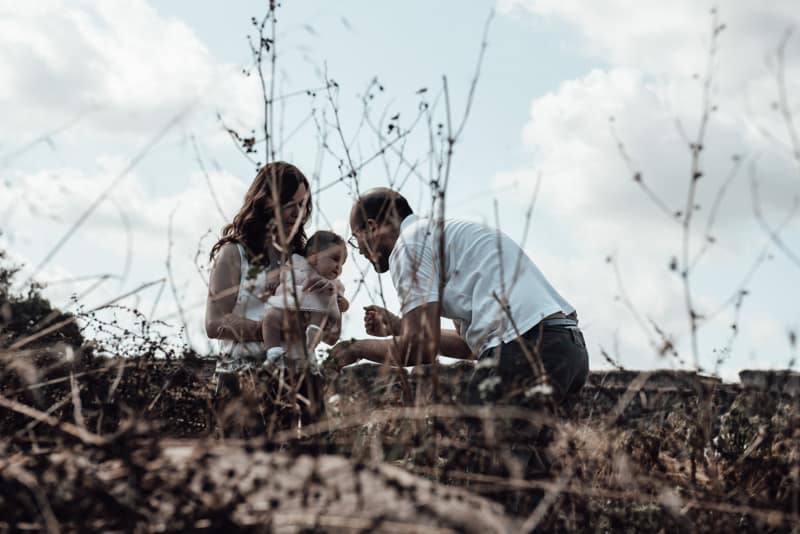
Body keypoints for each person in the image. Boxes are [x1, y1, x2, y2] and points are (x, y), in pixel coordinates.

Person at [327, 187, 589, 406]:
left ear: (371, 227)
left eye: (356, 239)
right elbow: (468, 347)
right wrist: (400, 327)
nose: (359, 250)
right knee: (531, 454)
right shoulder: (440, 238)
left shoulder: (408, 245)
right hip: (566, 348)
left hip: (525, 348)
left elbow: (420, 348)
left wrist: (356, 348)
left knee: (485, 449)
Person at [205, 161, 328, 378]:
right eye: (289, 203)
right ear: (264, 201)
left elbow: (325, 329)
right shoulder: (233, 253)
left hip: (302, 376)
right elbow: (214, 323)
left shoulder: (303, 259)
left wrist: (327, 300)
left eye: (302, 205)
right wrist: (268, 329)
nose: (297, 213)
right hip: (244, 376)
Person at [262, 230, 350, 368]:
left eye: (342, 264)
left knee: (319, 313)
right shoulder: (296, 262)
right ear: (314, 257)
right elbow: (282, 273)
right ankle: (273, 351)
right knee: (270, 317)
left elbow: (342, 303)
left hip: (311, 317)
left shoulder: (334, 283)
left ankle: (311, 341)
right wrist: (274, 280)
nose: (339, 267)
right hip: (288, 306)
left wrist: (342, 303)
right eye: (335, 259)